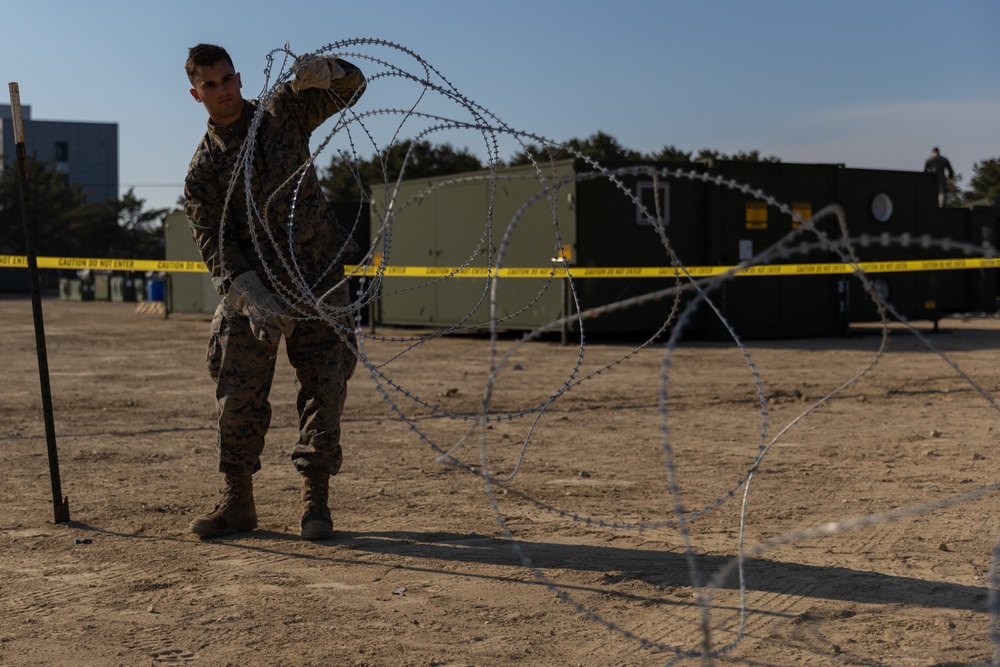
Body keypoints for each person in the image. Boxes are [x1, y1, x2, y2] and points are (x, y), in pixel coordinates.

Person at [183, 43, 366, 540]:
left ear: (239, 78)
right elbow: (215, 246)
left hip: (319, 279)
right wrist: (248, 293)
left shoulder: (281, 111)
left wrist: (332, 71)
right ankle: (238, 501)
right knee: (237, 389)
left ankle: (316, 503)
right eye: (211, 86)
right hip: (257, 291)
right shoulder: (202, 174)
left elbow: (353, 91)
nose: (223, 92)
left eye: (228, 80)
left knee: (325, 388)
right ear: (196, 94)